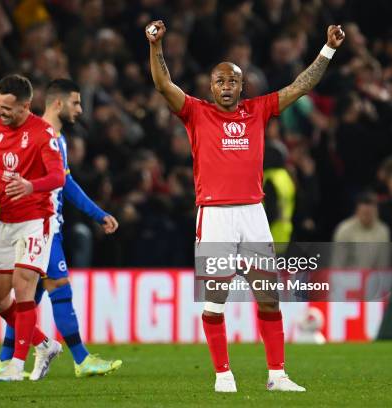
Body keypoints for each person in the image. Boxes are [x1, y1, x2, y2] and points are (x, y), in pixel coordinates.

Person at [146, 20, 345, 392]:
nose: (226, 87)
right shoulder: (195, 112)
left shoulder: (258, 110)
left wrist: (328, 49)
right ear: (211, 86)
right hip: (216, 215)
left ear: (242, 86)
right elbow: (162, 84)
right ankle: (223, 374)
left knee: (269, 298)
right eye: (220, 81)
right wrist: (156, 46)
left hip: (253, 214)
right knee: (216, 300)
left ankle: (277, 375)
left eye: (233, 81)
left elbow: (302, 85)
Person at [0, 78, 123, 378]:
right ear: (59, 103)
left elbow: (66, 184)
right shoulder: (41, 134)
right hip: (39, 226)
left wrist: (98, 214)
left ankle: (3, 360)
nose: (80, 109)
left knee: (31, 297)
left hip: (46, 226)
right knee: (58, 288)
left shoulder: (55, 138)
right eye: (76, 103)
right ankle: (81, 359)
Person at [0, 74, 65, 381]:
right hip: (6, 221)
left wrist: (30, 186)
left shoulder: (42, 133)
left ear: (26, 106)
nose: (0, 112)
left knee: (24, 287)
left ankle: (16, 363)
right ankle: (44, 344)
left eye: (7, 108)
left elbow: (57, 177)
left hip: (36, 220)